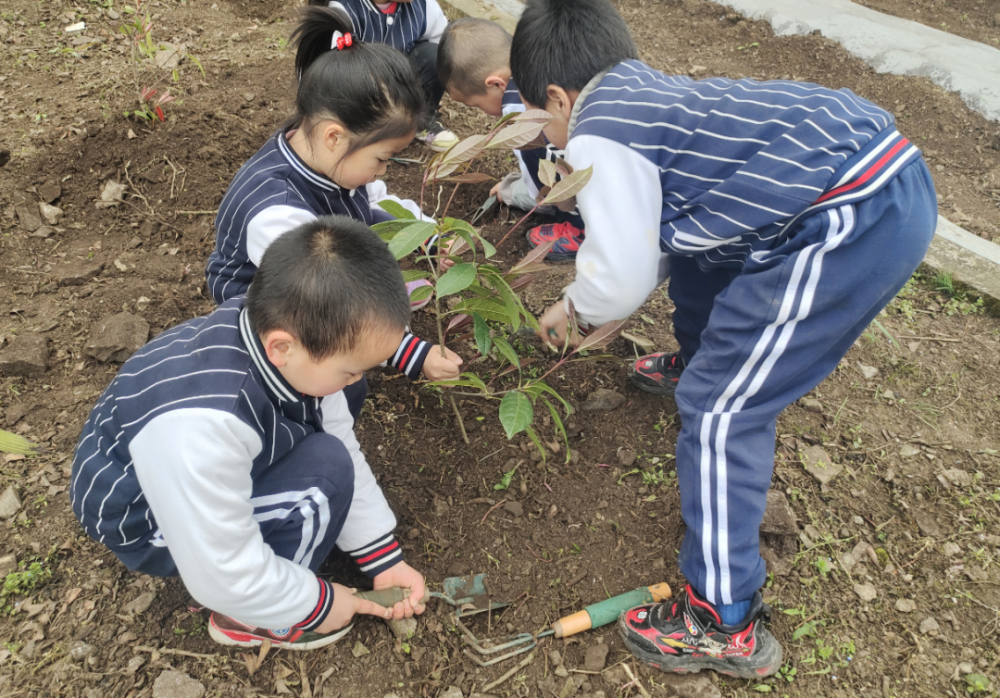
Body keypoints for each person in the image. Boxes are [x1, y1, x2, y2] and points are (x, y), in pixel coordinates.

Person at [512, 0, 936, 679]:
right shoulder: (646, 94)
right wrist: (614, 294)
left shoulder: (596, 129)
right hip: (866, 167)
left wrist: (575, 305)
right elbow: (666, 230)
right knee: (703, 250)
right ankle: (702, 357)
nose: (556, 141)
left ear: (559, 97)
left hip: (850, 215)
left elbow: (619, 273)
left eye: (546, 122)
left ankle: (721, 617)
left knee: (721, 409)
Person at [71, 217, 429, 649]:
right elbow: (223, 568)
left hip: (171, 476)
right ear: (283, 347)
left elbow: (336, 427)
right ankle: (251, 619)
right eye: (350, 370)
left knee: (334, 428)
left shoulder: (278, 329)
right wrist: (315, 601)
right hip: (145, 519)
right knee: (325, 476)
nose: (356, 380)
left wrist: (380, 555)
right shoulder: (206, 426)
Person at [206, 6, 461, 386]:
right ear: (334, 135)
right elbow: (329, 301)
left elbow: (376, 200)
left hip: (321, 252)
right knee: (327, 364)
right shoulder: (276, 212)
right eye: (381, 158)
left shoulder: (323, 152)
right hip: (275, 294)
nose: (383, 170)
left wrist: (429, 236)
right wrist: (410, 352)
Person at [437, 17, 585, 262]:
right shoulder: (544, 60)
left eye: (476, 104)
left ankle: (580, 232)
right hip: (613, 147)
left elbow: (541, 184)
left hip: (590, 180)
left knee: (560, 189)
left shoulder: (517, 109)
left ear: (496, 84)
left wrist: (511, 191)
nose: (483, 112)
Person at [309, 0, 458, 152]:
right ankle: (366, 128)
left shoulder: (423, 5)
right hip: (364, 86)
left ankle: (420, 120)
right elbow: (332, 68)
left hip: (405, 80)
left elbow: (441, 39)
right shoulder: (345, 9)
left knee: (436, 55)